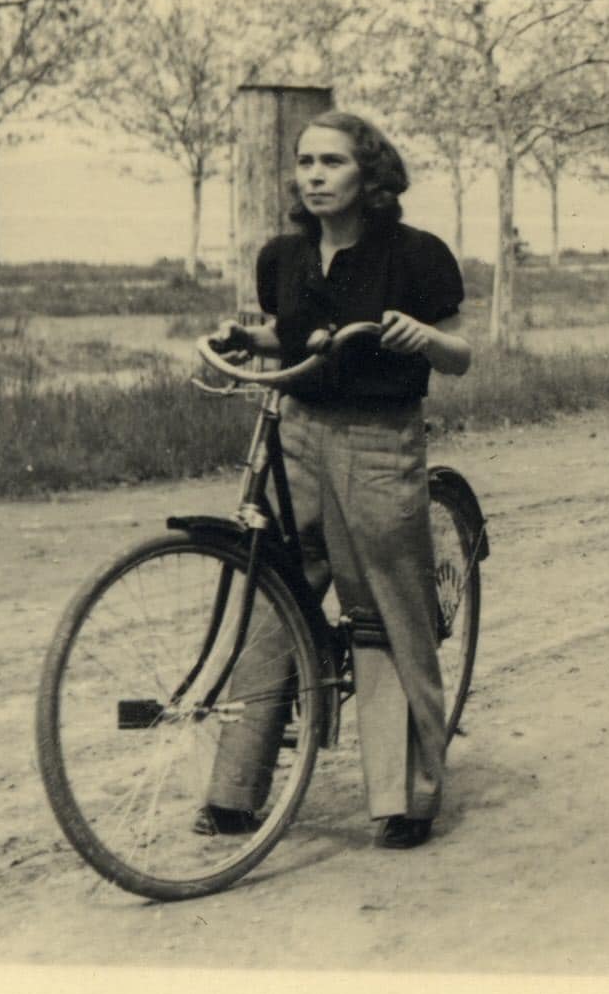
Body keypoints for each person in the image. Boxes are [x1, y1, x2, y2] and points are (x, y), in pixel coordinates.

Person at [198, 110, 473, 852]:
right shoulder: (283, 257)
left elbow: (460, 352)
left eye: (333, 162)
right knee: (272, 597)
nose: (315, 176)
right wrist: (247, 339)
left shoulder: (416, 256)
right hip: (297, 433)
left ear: (370, 173)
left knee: (383, 605)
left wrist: (425, 336)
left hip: (378, 441)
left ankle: (404, 799)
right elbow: (291, 335)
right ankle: (234, 793)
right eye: (306, 162)